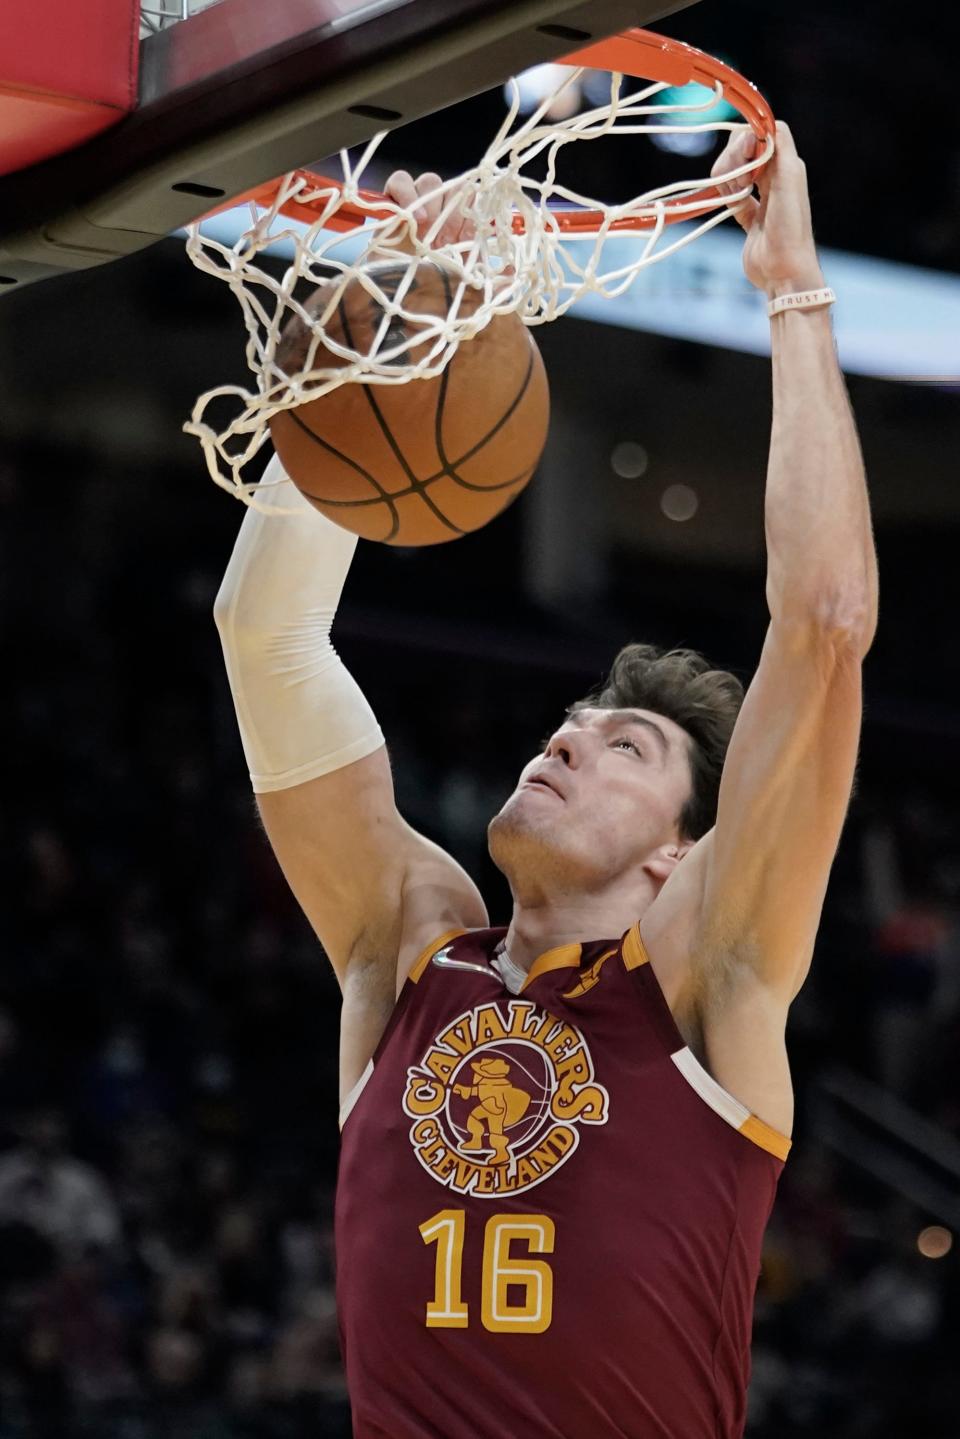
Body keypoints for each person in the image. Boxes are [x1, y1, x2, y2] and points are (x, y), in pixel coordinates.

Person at [213, 122, 878, 1438]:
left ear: (676, 859)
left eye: (623, 746)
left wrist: (796, 298)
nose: (563, 740)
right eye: (568, 725)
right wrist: (394, 332)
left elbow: (825, 620)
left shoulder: (705, 982)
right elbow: (265, 636)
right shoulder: (407, 945)